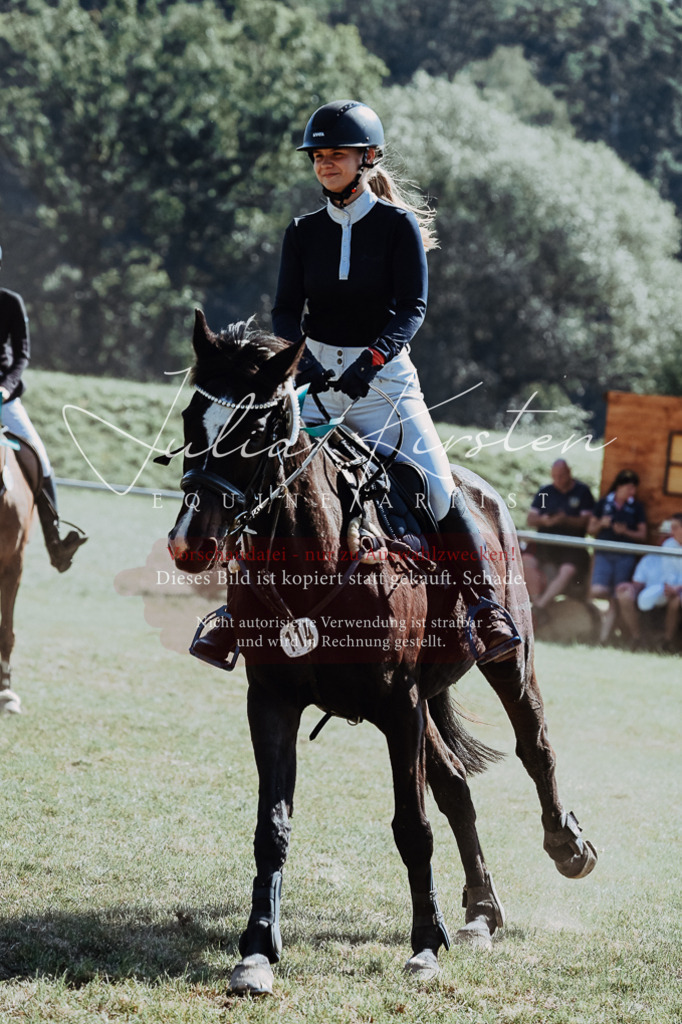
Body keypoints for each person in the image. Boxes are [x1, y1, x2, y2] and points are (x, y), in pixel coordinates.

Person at [269, 99, 521, 664]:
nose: (325, 163)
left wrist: (371, 362)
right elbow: (285, 310)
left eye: (338, 154)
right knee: (268, 476)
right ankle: (235, 614)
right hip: (316, 380)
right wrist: (303, 364)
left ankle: (485, 608)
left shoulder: (396, 226)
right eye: (318, 156)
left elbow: (412, 308)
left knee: (438, 487)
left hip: (385, 384)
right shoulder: (302, 231)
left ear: (368, 158)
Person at [0, 244, 87, 572]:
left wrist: (4, 388)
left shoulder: (10, 302)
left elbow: (21, 355)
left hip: (3, 399)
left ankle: (55, 544)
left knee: (40, 458)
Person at [524, 459, 594, 621]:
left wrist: (565, 520)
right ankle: (536, 604)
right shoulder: (545, 491)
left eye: (561, 476)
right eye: (554, 476)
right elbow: (531, 518)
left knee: (567, 570)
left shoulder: (582, 491)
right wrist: (544, 521)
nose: (558, 480)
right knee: (526, 560)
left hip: (571, 544)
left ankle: (539, 607)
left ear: (569, 473)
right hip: (545, 543)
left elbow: (586, 521)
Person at [587, 468, 646, 644]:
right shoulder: (603, 503)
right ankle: (607, 629)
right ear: (619, 486)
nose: (632, 492)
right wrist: (601, 523)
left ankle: (604, 638)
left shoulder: (636, 507)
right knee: (598, 590)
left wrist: (625, 531)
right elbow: (590, 529)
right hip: (603, 554)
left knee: (618, 595)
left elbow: (642, 535)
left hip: (625, 556)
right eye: (630, 488)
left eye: (634, 488)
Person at [615, 513, 682, 651]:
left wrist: (676, 588)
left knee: (675, 600)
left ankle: (667, 642)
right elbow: (638, 583)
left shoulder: (673, 549)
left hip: (674, 592)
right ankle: (637, 638)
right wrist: (630, 587)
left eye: (669, 533)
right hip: (659, 593)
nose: (666, 537)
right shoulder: (651, 557)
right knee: (628, 595)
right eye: (662, 535)